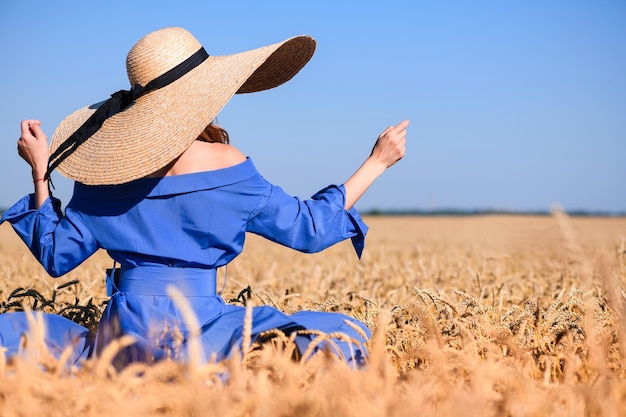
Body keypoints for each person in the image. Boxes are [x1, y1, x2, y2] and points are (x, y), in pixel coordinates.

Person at [0, 27, 408, 368]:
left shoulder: (103, 177)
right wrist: (377, 161)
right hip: (205, 330)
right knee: (342, 337)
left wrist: (40, 170)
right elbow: (310, 230)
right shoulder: (227, 165)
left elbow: (57, 256)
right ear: (204, 97)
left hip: (122, 337)